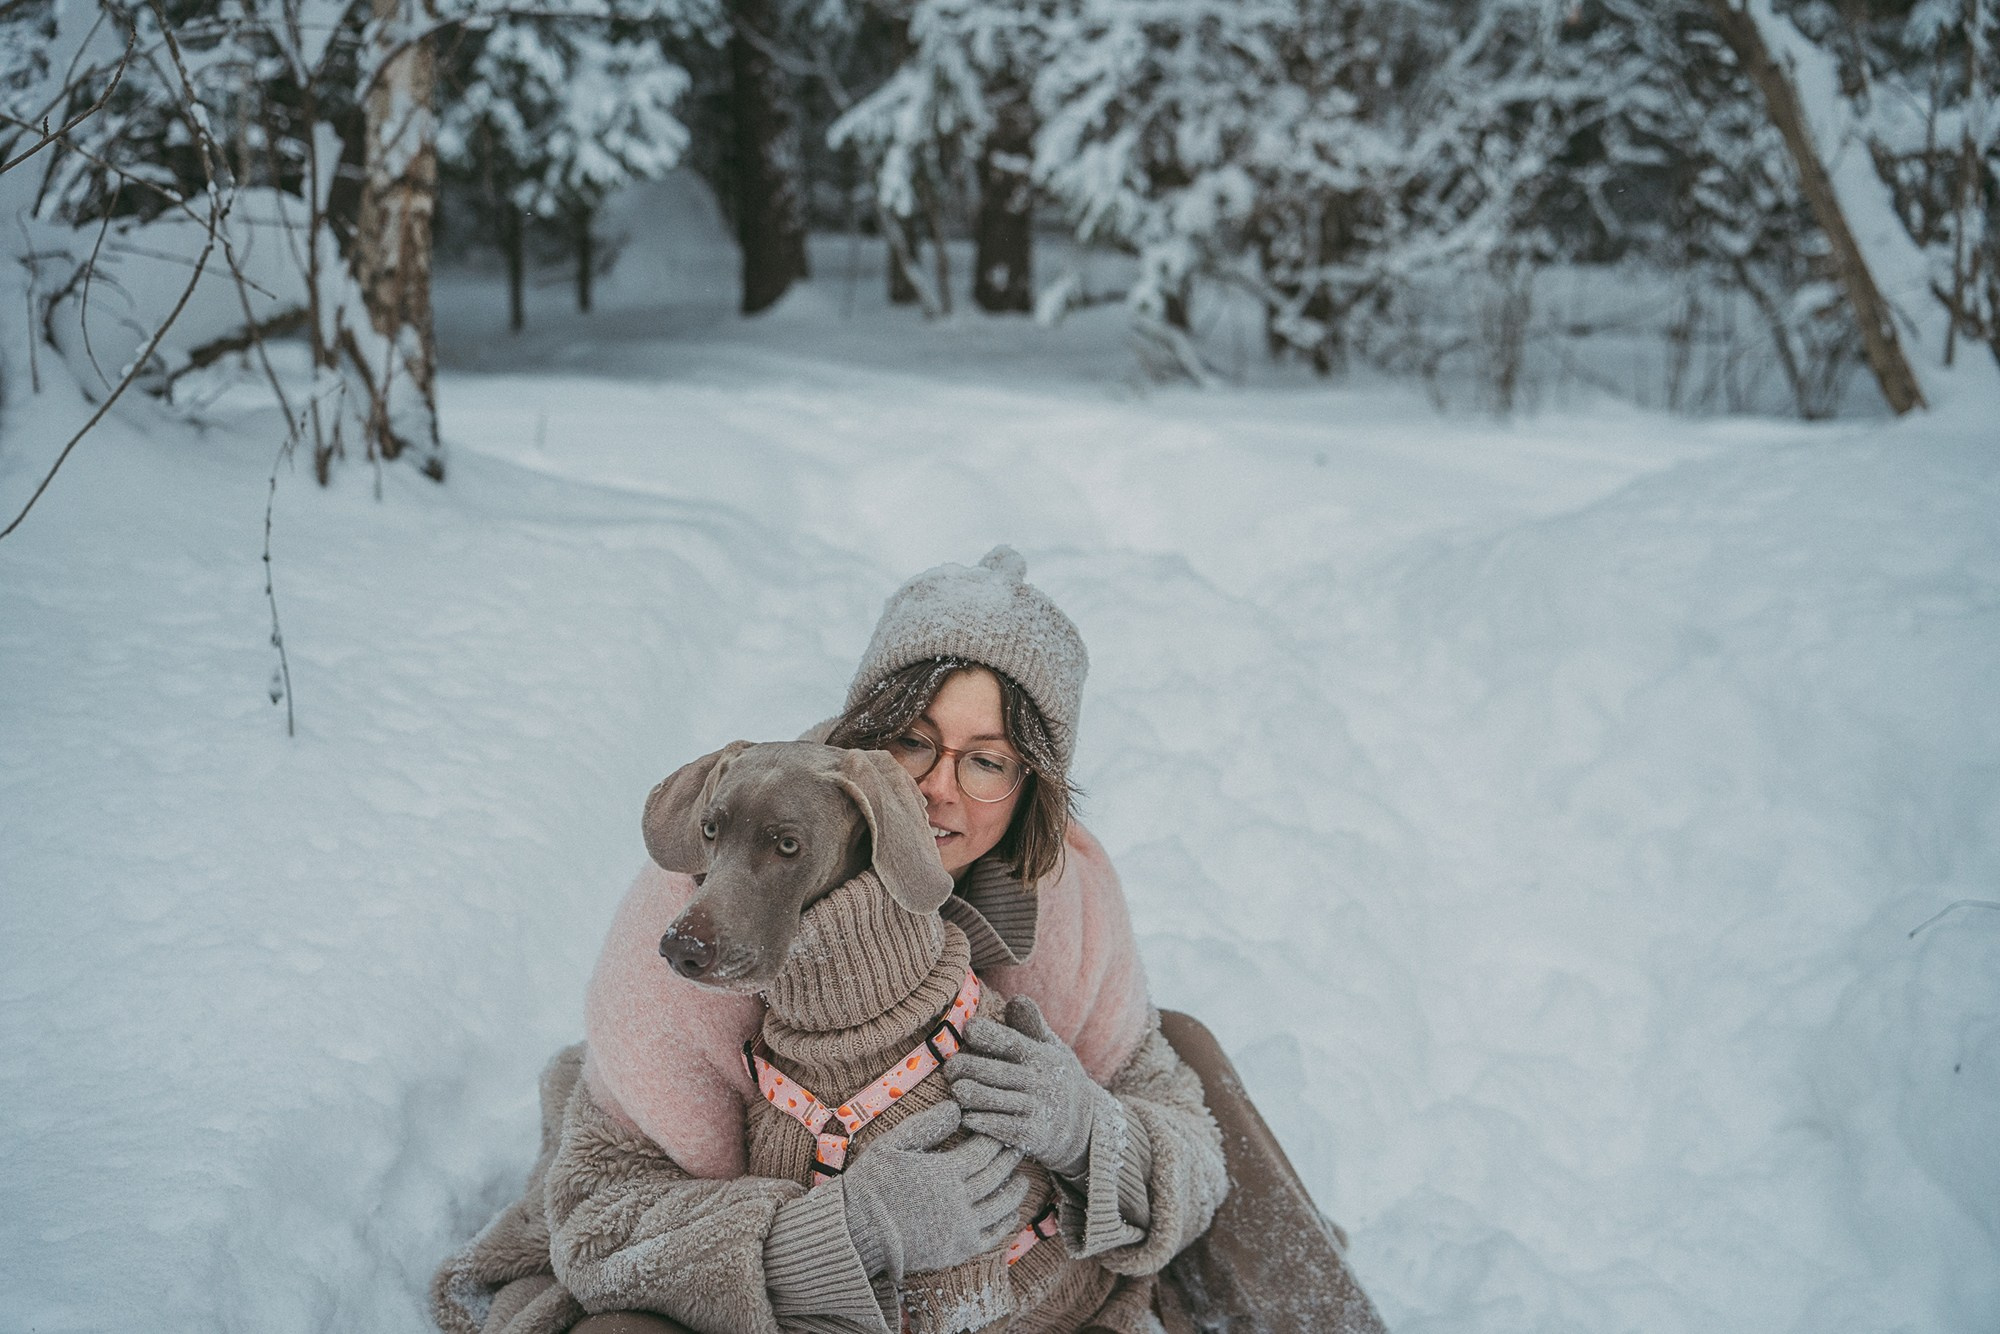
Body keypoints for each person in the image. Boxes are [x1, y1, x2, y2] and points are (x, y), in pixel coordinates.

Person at [433, 548, 1387, 1334]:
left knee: (1183, 1048)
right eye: (914, 740)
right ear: (860, 741)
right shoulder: (714, 888)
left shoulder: (1066, 892)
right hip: (758, 1287)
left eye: (986, 762)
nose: (938, 788)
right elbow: (604, 1215)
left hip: (1002, 1284)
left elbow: (1186, 1142)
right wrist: (842, 1230)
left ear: (1031, 791)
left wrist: (1091, 1133)